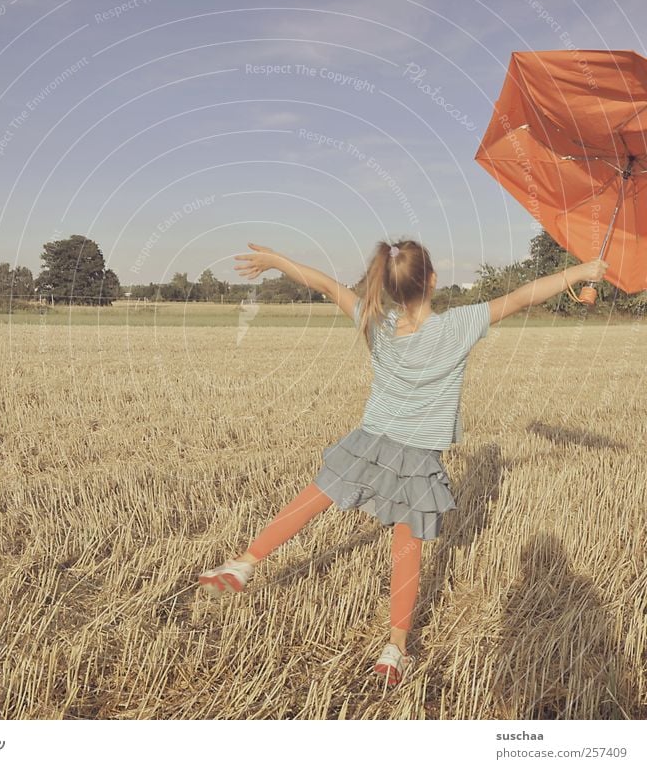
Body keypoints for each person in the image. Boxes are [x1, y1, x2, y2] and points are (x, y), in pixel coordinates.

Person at [198, 239, 609, 687]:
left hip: (369, 441)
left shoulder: (375, 319)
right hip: (416, 456)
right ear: (432, 280)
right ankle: (394, 649)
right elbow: (524, 295)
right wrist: (579, 272)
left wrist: (275, 260)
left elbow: (321, 281)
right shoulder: (459, 325)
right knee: (406, 551)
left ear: (390, 286)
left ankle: (243, 563)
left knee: (311, 500)